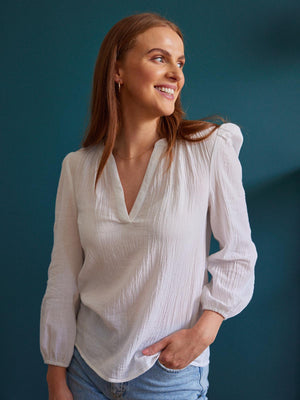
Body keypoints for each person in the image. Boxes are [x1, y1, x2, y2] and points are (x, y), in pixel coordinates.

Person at [40, 12, 257, 400]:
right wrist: (56, 376)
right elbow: (63, 277)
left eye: (180, 62)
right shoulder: (78, 168)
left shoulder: (209, 149)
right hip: (85, 374)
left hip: (167, 378)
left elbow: (239, 253)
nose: (176, 72)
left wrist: (203, 332)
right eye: (159, 58)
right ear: (118, 71)